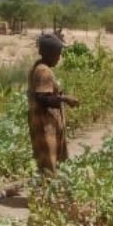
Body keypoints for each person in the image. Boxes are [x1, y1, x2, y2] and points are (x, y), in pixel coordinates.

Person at [28, 32, 77, 176]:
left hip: (44, 123)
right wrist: (65, 99)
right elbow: (42, 98)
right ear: (50, 54)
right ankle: (47, 194)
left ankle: (47, 192)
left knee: (47, 160)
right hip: (45, 124)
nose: (59, 58)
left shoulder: (38, 67)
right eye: (57, 54)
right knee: (48, 160)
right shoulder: (44, 72)